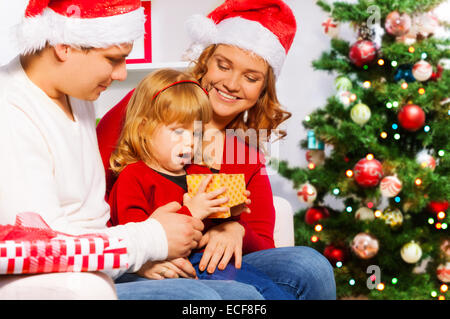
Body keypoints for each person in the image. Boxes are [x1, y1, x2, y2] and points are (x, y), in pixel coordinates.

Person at [0, 0, 263, 300]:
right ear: (64, 46)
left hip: (114, 259)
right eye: (114, 59)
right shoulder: (10, 113)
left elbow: (95, 215)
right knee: (219, 298)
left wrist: (229, 221)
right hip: (73, 279)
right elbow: (42, 248)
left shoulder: (76, 91)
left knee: (304, 268)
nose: (122, 74)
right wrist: (150, 244)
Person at [97, 0, 336, 299]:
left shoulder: (243, 154)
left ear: (263, 90)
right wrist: (140, 254)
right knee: (241, 295)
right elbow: (85, 192)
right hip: (134, 256)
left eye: (251, 78)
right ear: (205, 60)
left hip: (211, 260)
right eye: (223, 65)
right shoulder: (154, 105)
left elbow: (258, 236)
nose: (232, 83)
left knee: (310, 265)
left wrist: (234, 229)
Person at [107, 68, 294, 299]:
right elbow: (137, 241)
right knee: (249, 294)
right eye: (177, 131)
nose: (189, 142)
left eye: (196, 133)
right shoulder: (132, 178)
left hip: (210, 260)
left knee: (269, 290)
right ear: (144, 128)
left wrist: (230, 214)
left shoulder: (199, 172)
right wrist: (193, 211)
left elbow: (215, 226)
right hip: (176, 270)